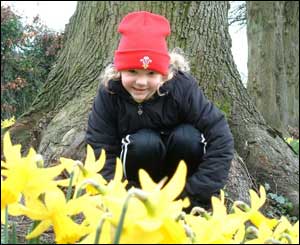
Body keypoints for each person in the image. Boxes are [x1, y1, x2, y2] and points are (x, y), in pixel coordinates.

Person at [85, 11, 234, 209]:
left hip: (183, 188)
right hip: (135, 182)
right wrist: (121, 195)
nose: (141, 82)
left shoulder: (182, 87)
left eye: (151, 73)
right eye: (132, 71)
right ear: (119, 69)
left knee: (188, 137)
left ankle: (185, 207)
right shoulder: (110, 93)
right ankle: (140, 203)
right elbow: (99, 147)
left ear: (164, 74)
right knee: (144, 142)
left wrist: (193, 193)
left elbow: (220, 137)